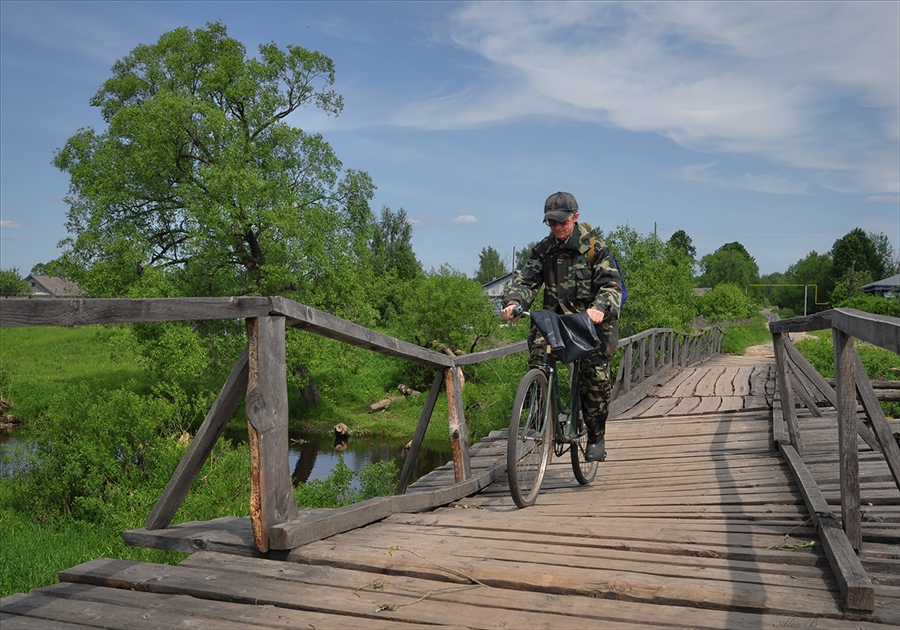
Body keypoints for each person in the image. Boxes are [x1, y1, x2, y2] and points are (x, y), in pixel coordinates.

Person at [501, 192, 622, 462]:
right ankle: (541, 414)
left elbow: (611, 287)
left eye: (562, 222)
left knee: (596, 379)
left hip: (589, 325)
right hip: (555, 323)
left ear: (575, 217)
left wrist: (599, 308)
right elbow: (527, 281)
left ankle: (595, 435)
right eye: (551, 223)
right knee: (538, 359)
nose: (557, 228)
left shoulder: (595, 247)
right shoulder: (544, 249)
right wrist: (513, 302)